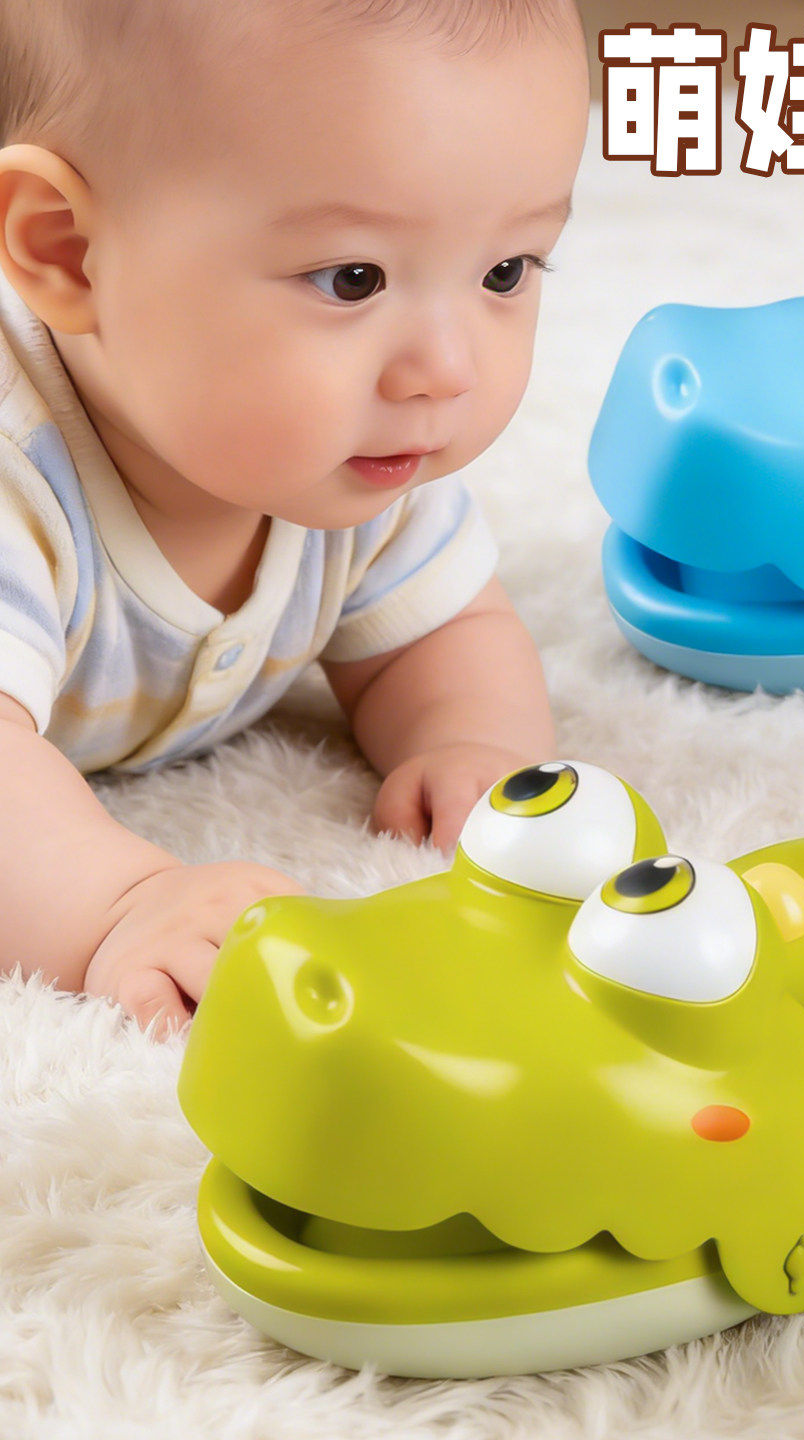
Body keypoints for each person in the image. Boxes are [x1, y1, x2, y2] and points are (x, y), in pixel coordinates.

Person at [0, 0, 590, 1035]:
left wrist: (472, 744)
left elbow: (444, 626)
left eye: (506, 271)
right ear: (67, 251)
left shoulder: (354, 462)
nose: (445, 370)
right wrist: (118, 905)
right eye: (352, 279)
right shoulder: (19, 474)